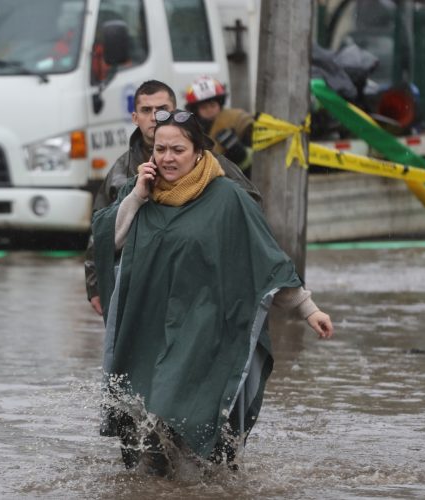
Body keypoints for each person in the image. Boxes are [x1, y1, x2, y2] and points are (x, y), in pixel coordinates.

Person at [92, 108, 334, 474]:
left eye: (178, 150)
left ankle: (202, 481)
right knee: (147, 440)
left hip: (201, 333)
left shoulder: (227, 198)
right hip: (146, 331)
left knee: (183, 420)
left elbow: (265, 260)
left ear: (199, 152)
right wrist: (137, 197)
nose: (167, 159)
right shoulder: (139, 192)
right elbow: (106, 242)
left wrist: (308, 309)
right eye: (160, 150)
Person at [84, 80, 259, 315]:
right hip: (140, 290)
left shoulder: (209, 163)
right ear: (135, 118)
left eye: (163, 109)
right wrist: (95, 285)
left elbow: (250, 210)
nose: (155, 116)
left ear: (177, 111)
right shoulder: (120, 174)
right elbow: (100, 230)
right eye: (147, 111)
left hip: (198, 290)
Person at [185, 76, 255, 176]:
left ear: (220, 103)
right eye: (204, 107)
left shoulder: (237, 122)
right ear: (196, 110)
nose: (209, 110)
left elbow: (255, 159)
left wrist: (239, 152)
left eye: (213, 105)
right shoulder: (190, 129)